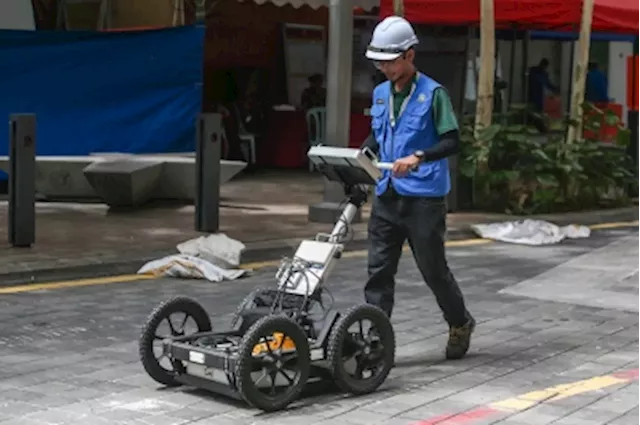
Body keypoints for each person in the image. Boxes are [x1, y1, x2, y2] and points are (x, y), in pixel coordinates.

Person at [361, 16, 475, 360]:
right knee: (378, 272)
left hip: (424, 198)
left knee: (433, 270)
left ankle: (460, 322)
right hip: (388, 194)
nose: (383, 67)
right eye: (378, 61)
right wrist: (358, 157)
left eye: (389, 60)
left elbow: (452, 140)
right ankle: (376, 343)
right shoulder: (381, 93)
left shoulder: (433, 94)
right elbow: (378, 138)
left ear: (409, 55)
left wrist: (419, 156)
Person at [527, 58, 559, 132]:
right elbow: (547, 84)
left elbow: (547, 84)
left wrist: (555, 88)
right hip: (535, 95)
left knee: (538, 112)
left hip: (538, 96)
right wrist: (554, 89)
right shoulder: (536, 73)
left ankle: (539, 127)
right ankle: (539, 127)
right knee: (536, 112)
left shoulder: (539, 73)